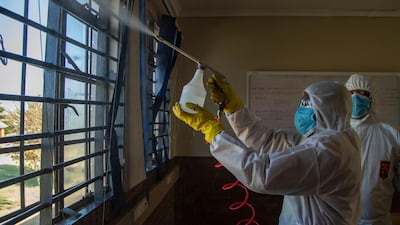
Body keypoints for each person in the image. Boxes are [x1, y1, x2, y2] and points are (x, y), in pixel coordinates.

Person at [173, 76, 362, 225]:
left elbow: (263, 174)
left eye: (306, 105)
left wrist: (212, 132)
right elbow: (267, 141)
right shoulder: (326, 140)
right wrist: (234, 109)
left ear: (326, 110)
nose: (300, 110)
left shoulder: (328, 151)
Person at [345, 73, 400, 225]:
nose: (356, 98)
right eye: (351, 93)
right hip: (341, 219)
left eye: (362, 93)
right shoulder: (336, 134)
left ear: (372, 98)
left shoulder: (391, 135)